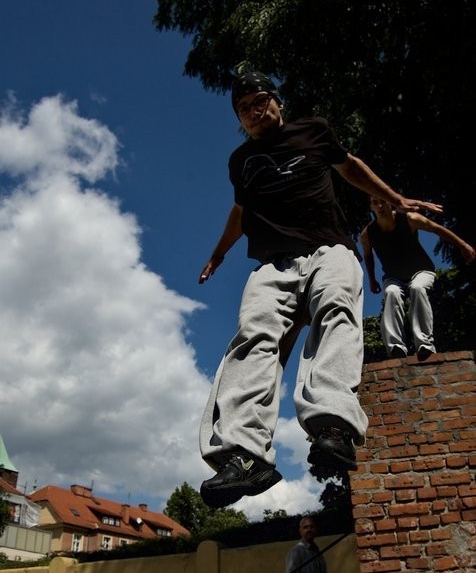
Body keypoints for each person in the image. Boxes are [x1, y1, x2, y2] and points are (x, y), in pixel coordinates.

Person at [198, 70, 443, 509]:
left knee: (336, 310)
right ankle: (243, 454)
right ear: (239, 119)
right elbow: (240, 209)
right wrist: (219, 253)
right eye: (244, 109)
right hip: (273, 265)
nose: (254, 113)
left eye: (260, 102)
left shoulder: (313, 131)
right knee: (253, 337)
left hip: (329, 249)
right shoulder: (241, 161)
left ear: (277, 103)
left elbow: (351, 168)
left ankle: (333, 426)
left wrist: (397, 198)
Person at [360, 197, 476, 360]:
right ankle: (395, 347)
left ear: (390, 203)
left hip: (421, 271)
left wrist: (463, 245)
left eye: (383, 201)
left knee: (417, 288)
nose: (380, 206)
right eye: (375, 203)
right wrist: (372, 280)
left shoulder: (409, 219)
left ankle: (424, 344)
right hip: (393, 277)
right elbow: (368, 256)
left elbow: (437, 229)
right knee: (391, 292)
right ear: (371, 207)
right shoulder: (367, 234)